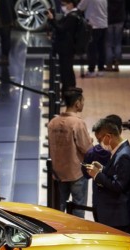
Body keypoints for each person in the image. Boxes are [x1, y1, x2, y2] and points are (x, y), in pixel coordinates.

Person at [85, 118, 130, 235]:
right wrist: (102, 169)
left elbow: (118, 186)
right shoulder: (119, 151)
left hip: (120, 216)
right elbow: (116, 174)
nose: (99, 143)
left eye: (100, 139)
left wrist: (97, 175)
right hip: (116, 215)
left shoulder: (124, 155)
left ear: (108, 137)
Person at [47, 87, 93, 218]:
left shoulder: (52, 123)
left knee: (59, 211)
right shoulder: (77, 123)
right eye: (82, 101)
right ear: (77, 103)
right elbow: (87, 149)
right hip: (77, 173)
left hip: (58, 174)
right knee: (78, 210)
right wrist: (90, 141)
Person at [46, 0, 82, 90]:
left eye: (64, 4)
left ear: (70, 4)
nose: (62, 7)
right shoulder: (70, 15)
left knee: (66, 72)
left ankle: (68, 92)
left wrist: (52, 19)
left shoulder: (72, 17)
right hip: (66, 48)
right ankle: (69, 92)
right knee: (67, 70)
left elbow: (61, 29)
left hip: (67, 48)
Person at [78, 0, 107, 77]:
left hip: (93, 26)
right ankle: (101, 69)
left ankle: (91, 70)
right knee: (101, 48)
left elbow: (80, 7)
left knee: (91, 49)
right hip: (103, 25)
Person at [0, 0, 16, 66]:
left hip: (5, 14)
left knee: (5, 37)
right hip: (5, 13)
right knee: (5, 37)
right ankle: (4, 57)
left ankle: (5, 58)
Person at [106, 0, 125, 72]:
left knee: (109, 43)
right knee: (118, 43)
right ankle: (117, 63)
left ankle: (109, 64)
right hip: (119, 19)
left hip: (109, 20)